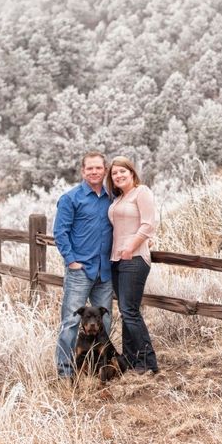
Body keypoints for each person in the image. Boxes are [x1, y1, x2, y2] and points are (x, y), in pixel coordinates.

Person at [53, 151, 115, 380]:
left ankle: (102, 370)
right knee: (70, 321)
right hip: (80, 271)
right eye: (90, 168)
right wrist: (71, 261)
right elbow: (60, 232)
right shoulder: (71, 198)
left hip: (105, 271)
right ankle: (65, 373)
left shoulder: (112, 197)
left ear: (105, 170)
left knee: (104, 320)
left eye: (98, 168)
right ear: (82, 171)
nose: (94, 172)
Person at [106, 155, 159, 374]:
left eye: (122, 171)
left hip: (134, 258)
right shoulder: (117, 199)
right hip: (116, 260)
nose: (118, 175)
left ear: (131, 172)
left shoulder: (142, 192)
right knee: (126, 310)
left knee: (130, 311)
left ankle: (148, 362)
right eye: (114, 173)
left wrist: (130, 247)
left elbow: (148, 224)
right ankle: (129, 358)